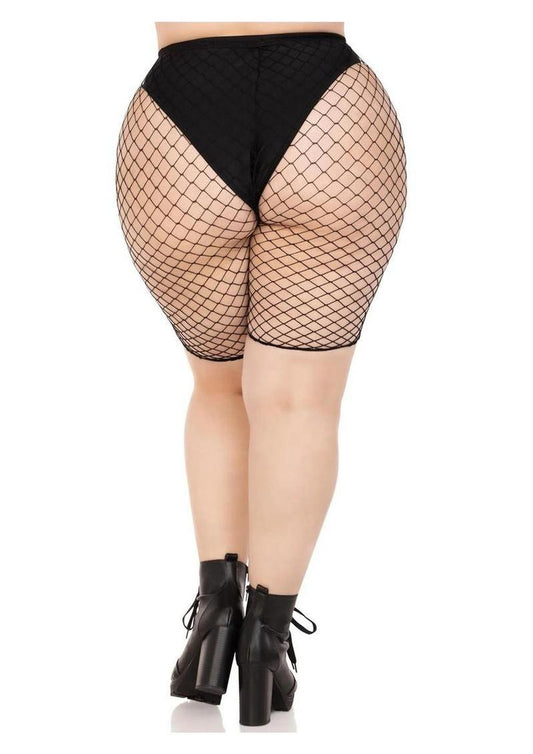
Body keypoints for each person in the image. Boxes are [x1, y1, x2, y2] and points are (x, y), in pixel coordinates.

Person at [115, 20, 407, 726]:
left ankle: (215, 620)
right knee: (296, 403)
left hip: (176, 117)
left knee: (219, 386)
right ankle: (265, 644)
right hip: (333, 114)